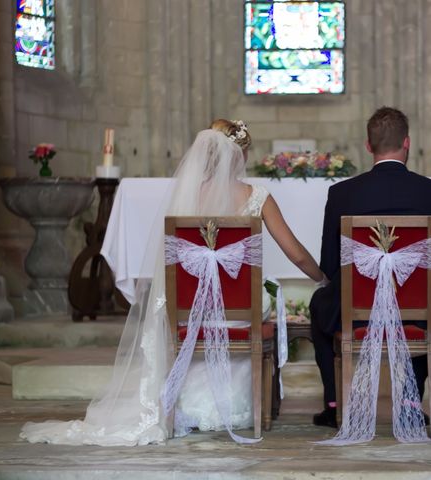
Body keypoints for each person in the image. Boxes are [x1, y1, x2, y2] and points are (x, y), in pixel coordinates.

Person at [20, 119, 326, 446]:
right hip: (238, 311)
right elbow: (295, 255)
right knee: (265, 301)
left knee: (206, 306)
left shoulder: (184, 195)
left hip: (187, 306)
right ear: (239, 155)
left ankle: (183, 404)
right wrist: (323, 278)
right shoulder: (257, 196)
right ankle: (237, 404)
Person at [309, 107, 431, 428]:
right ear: (407, 143)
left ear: (368, 146)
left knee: (319, 304)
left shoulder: (341, 193)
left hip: (356, 307)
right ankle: (410, 403)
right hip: (417, 308)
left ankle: (335, 403)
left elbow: (330, 265)